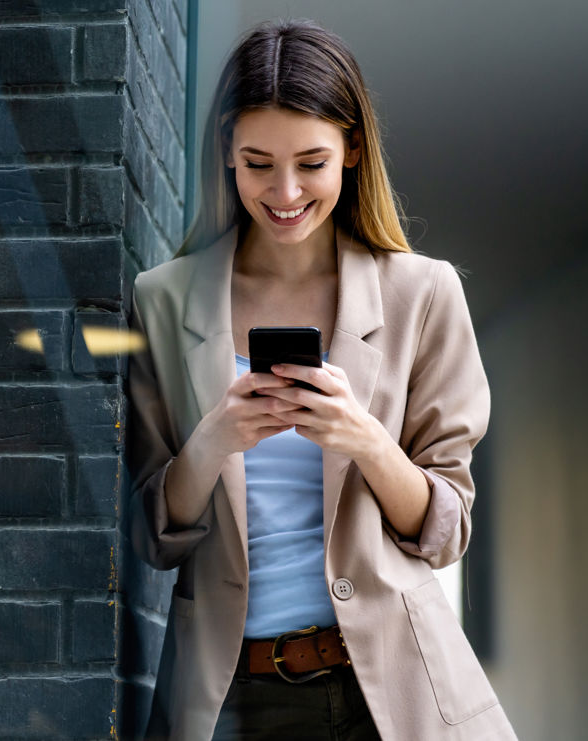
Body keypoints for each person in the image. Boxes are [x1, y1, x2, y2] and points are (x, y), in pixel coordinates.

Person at [126, 20, 517, 741]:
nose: (284, 191)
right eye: (257, 163)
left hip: (391, 694)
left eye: (312, 162)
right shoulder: (165, 300)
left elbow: (447, 527)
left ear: (353, 151)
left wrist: (366, 439)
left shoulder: (423, 295)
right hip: (230, 699)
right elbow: (150, 535)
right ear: (225, 155)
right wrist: (213, 440)